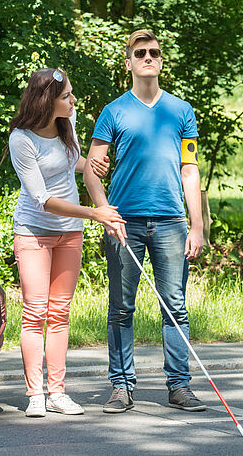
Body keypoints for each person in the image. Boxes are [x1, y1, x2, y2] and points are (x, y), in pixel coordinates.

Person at [84, 29, 206, 413]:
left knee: (175, 307)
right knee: (121, 307)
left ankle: (179, 386)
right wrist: (104, 212)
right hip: (124, 222)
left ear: (161, 61)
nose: (148, 57)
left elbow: (190, 169)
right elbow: (91, 169)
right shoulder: (113, 111)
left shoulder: (182, 111)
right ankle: (121, 386)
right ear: (129, 64)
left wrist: (197, 225)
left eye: (154, 52)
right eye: (141, 53)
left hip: (171, 222)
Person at [8, 67, 125, 418]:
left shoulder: (67, 123)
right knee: (35, 314)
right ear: (47, 101)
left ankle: (57, 392)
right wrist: (95, 214)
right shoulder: (21, 139)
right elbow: (42, 198)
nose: (73, 100)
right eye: (66, 96)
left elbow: (69, 161)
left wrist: (90, 165)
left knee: (59, 314)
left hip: (70, 233)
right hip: (33, 232)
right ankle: (35, 396)